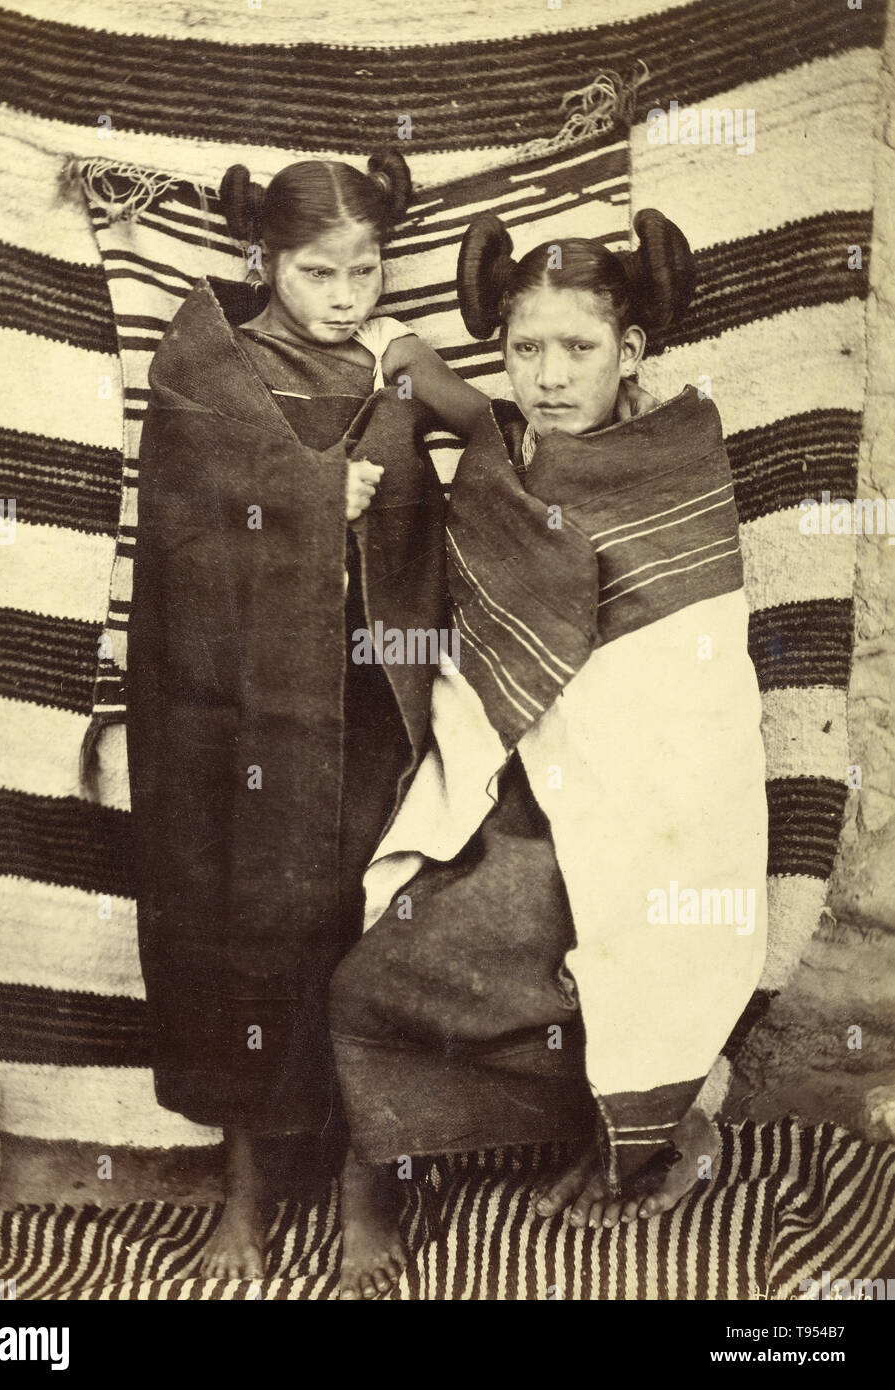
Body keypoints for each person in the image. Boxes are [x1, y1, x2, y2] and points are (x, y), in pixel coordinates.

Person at [329, 208, 769, 1261]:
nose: (549, 373)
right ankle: (382, 1172)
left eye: (578, 348)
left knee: (615, 962)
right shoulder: (497, 456)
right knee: (380, 975)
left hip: (655, 811)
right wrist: (389, 351)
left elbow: (688, 692)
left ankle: (660, 1125)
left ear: (631, 353)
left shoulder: (673, 462)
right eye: (524, 348)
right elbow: (424, 382)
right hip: (512, 785)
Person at [125, 151, 488, 1299]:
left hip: (373, 697)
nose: (344, 294)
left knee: (365, 920)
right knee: (237, 921)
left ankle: (362, 1181)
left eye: (365, 269)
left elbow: (497, 438)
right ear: (263, 260)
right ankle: (241, 1181)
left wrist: (413, 388)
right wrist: (296, 501)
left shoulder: (391, 362)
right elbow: (178, 530)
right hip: (233, 711)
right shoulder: (207, 365)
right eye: (316, 271)